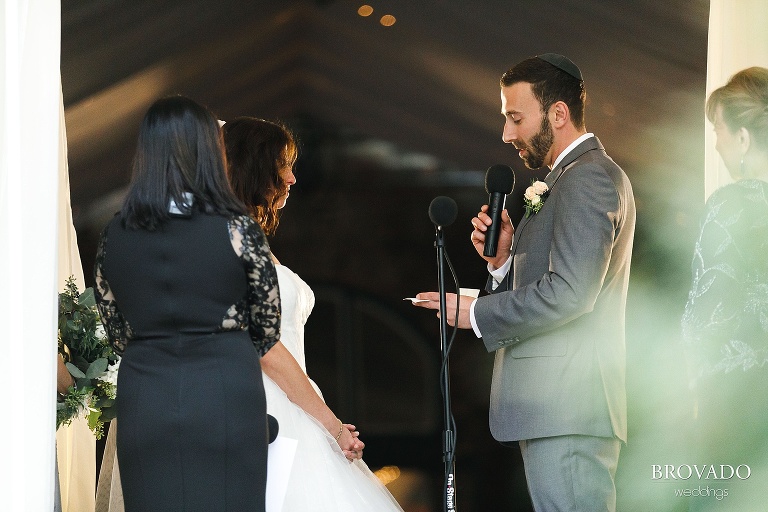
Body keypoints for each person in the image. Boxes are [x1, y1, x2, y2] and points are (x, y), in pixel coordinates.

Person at [414, 54, 636, 511]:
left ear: (558, 114)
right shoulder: (567, 179)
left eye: (516, 118)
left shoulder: (588, 178)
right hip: (557, 409)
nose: (507, 134)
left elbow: (571, 294)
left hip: (568, 408)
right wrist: (501, 263)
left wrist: (474, 312)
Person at [93, 95, 280, 512]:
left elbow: (117, 329)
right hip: (226, 392)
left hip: (146, 397)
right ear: (209, 152)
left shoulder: (114, 235)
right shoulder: (238, 229)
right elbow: (267, 327)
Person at [222, 116, 404, 512]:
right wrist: (331, 424)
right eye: (282, 165)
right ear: (254, 168)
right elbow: (265, 347)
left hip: (291, 402)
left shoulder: (246, 236)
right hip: (263, 409)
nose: (291, 178)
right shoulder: (232, 240)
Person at [682, 67, 768, 510]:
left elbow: (703, 315)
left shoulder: (729, 205)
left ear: (742, 138)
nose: (715, 142)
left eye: (718, 129)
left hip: (740, 402)